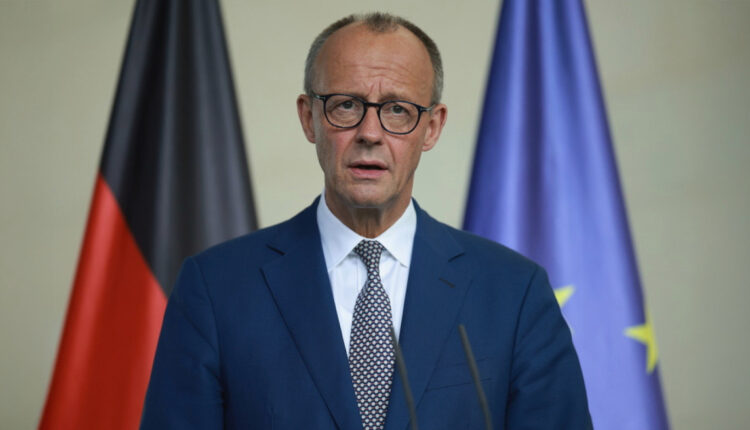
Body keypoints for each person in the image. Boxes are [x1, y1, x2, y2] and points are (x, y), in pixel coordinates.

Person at [141, 12, 591, 429]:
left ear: (432, 127)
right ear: (309, 118)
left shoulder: (514, 293)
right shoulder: (215, 289)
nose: (370, 133)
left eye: (397, 109)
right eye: (346, 105)